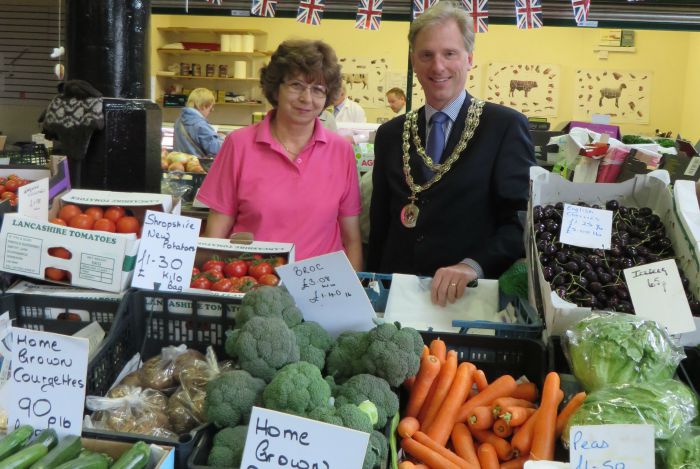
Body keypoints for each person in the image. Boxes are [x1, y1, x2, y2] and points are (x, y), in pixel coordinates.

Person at [367, 1, 535, 306]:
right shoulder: (391, 135)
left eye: (449, 54)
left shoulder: (504, 127)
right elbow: (380, 223)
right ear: (413, 62)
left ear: (469, 59)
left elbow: (521, 222)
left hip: (468, 300)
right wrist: (371, 286)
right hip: (396, 296)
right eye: (426, 55)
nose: (438, 66)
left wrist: (471, 265)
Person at [196, 40, 362, 269]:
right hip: (252, 283)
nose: (306, 98)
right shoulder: (239, 145)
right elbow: (216, 235)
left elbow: (351, 240)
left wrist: (351, 295)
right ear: (276, 87)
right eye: (296, 85)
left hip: (320, 290)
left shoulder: (341, 151)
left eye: (318, 89)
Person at [173, 88, 223, 158]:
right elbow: (215, 150)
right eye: (210, 108)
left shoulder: (179, 120)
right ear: (203, 106)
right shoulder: (201, 124)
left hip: (179, 163)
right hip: (196, 165)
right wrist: (222, 138)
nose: (211, 111)